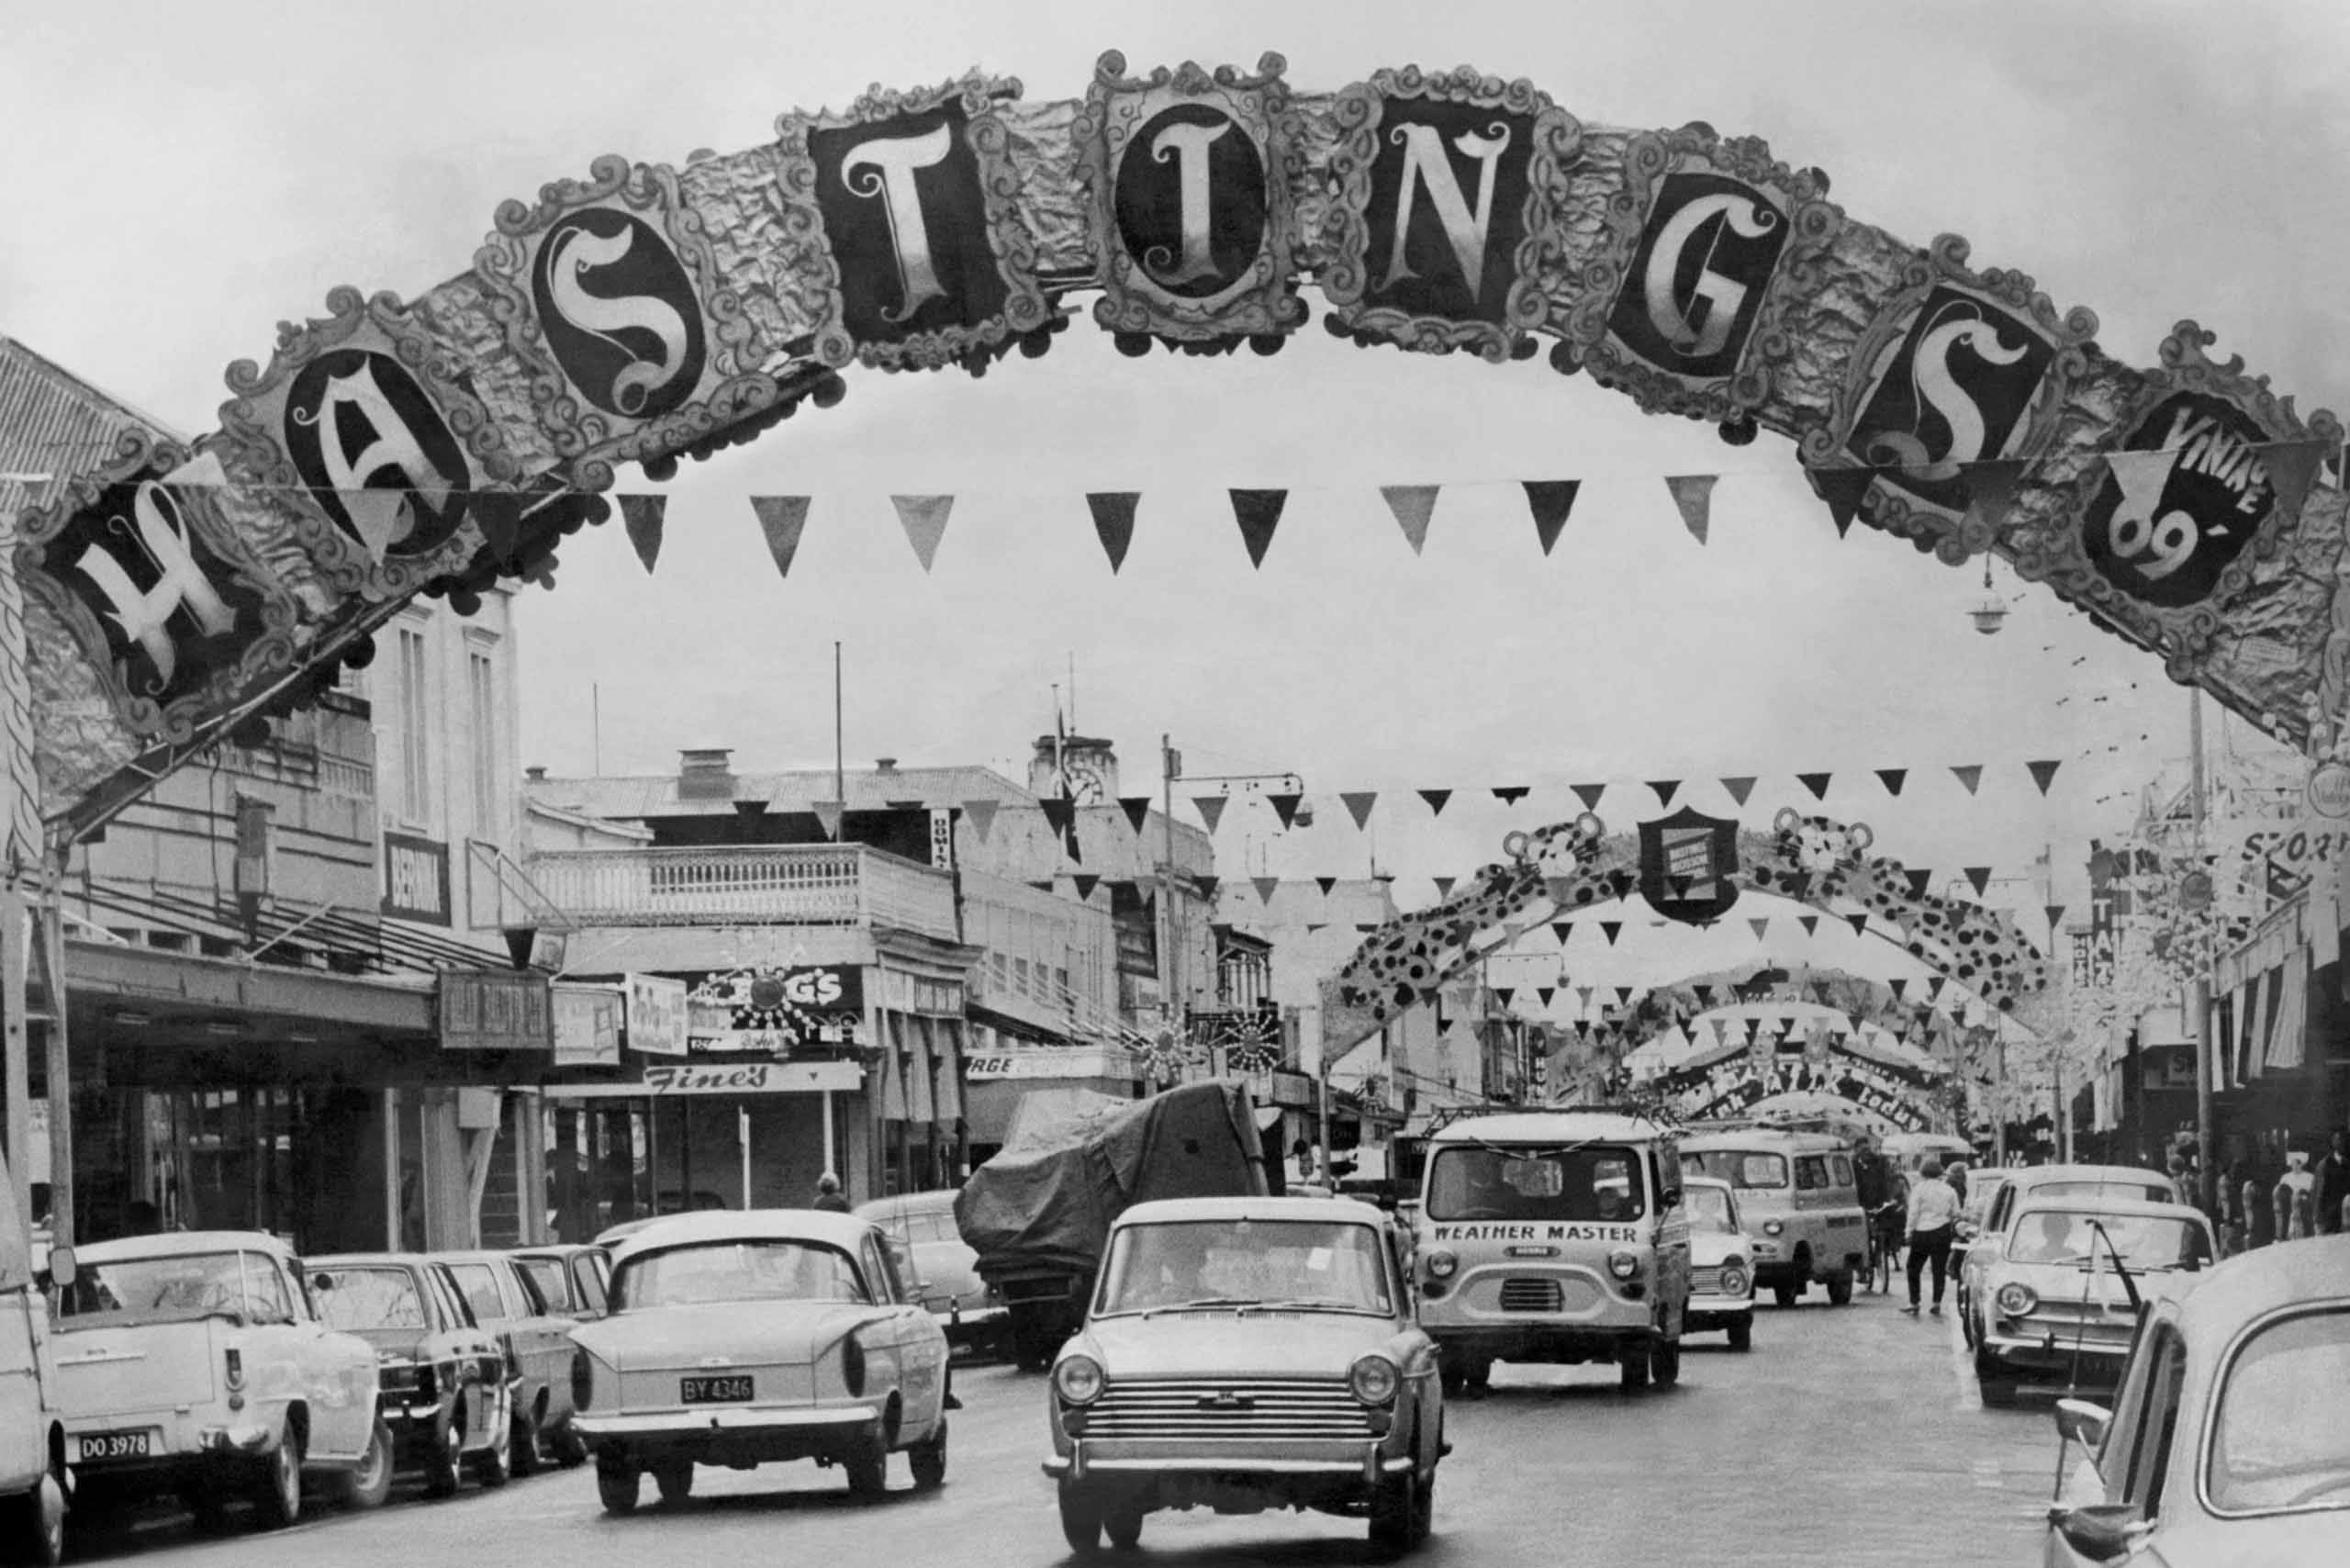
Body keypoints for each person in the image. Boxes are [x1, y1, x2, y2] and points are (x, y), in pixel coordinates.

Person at [1900, 1157, 1962, 1317]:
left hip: (1922, 1232)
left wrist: (1908, 1232)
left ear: (1923, 1173)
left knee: (1913, 1268)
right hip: (1942, 1232)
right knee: (1939, 1269)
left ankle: (1914, 1302)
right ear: (1940, 1173)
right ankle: (1936, 1303)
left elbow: (1913, 1213)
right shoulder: (1949, 1190)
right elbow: (1956, 1213)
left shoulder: (1919, 1189)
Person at [2316, 1129, 2350, 1237]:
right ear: (2333, 1142)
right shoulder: (2325, 1164)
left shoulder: (2347, 1163)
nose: (2341, 1143)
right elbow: (2320, 1192)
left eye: (2344, 1140)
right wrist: (2319, 1218)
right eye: (2338, 1140)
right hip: (2331, 1217)